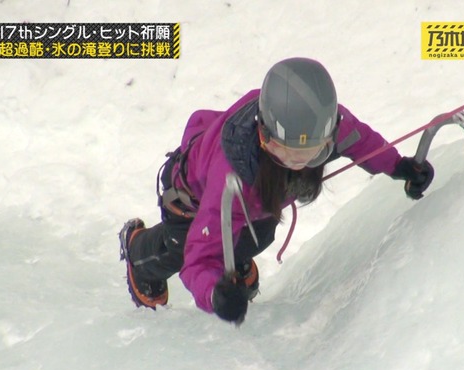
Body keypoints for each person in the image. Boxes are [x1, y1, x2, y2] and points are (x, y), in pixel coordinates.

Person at [118, 57, 434, 324]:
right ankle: (139, 254)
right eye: (286, 152)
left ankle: (236, 255)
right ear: (262, 132)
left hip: (258, 198)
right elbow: (197, 260)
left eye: (312, 152)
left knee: (261, 234)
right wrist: (216, 293)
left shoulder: (321, 124)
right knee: (179, 246)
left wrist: (398, 166)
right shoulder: (231, 178)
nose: (298, 163)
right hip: (191, 199)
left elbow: (361, 141)